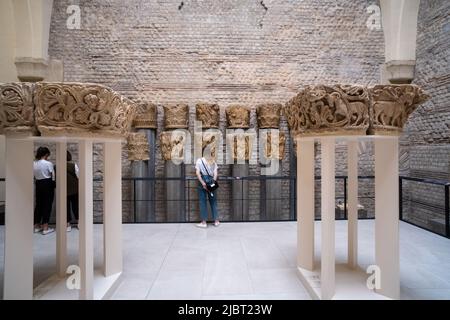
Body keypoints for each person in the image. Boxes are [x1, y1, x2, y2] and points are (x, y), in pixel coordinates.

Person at [195, 147, 219, 228]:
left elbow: (198, 173)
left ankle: (204, 222)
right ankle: (216, 221)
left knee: (203, 201)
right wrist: (212, 183)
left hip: (203, 181)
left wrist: (203, 183)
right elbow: (215, 174)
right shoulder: (213, 161)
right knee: (213, 201)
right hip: (211, 180)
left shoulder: (199, 161)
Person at [33, 146, 55, 235]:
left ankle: (36, 226)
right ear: (46, 154)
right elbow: (52, 175)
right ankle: (45, 227)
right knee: (47, 205)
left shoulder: (34, 163)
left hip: (38, 183)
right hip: (47, 184)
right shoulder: (48, 163)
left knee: (38, 204)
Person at [66, 151, 79, 232]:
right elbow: (78, 176)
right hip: (74, 189)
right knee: (76, 206)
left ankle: (67, 224)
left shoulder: (56, 166)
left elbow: (54, 178)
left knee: (65, 207)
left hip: (63, 190)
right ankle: (79, 222)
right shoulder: (73, 165)